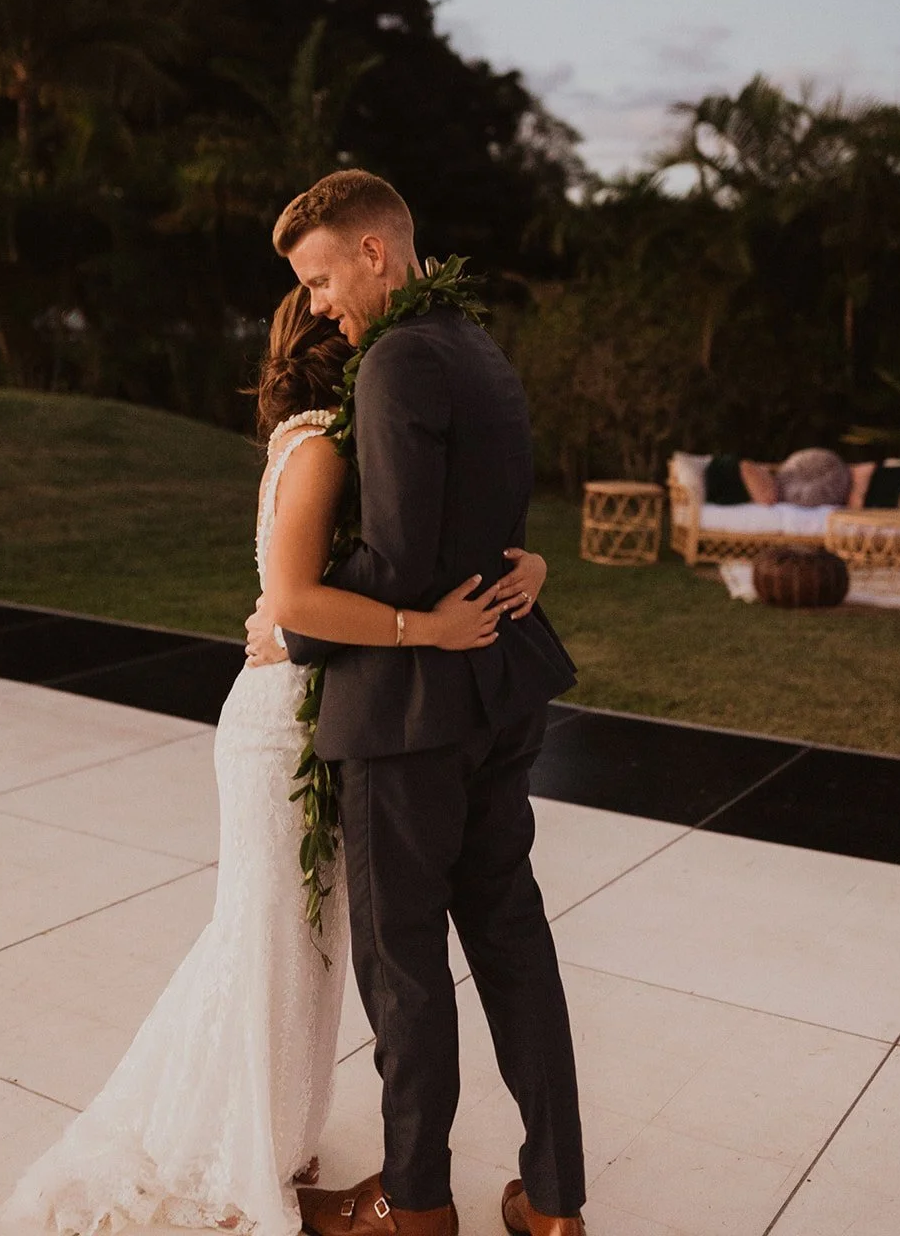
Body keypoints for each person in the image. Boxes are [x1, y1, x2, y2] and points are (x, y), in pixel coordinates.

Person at [1, 284, 545, 1236]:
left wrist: (528, 564)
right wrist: (423, 628)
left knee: (297, 938)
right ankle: (233, 1144)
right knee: (271, 936)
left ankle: (269, 1128)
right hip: (280, 727)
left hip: (314, 710)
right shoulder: (323, 446)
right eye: (343, 317)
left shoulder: (330, 441)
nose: (364, 329)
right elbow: (296, 600)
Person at [246, 170, 586, 1236]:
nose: (317, 307)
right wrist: (522, 568)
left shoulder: (394, 359)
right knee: (511, 940)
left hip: (408, 718)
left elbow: (394, 559)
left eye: (320, 280)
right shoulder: (476, 346)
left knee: (403, 971)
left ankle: (416, 1202)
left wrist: (293, 619)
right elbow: (485, 524)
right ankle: (555, 1200)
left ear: (374, 251)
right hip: (498, 694)